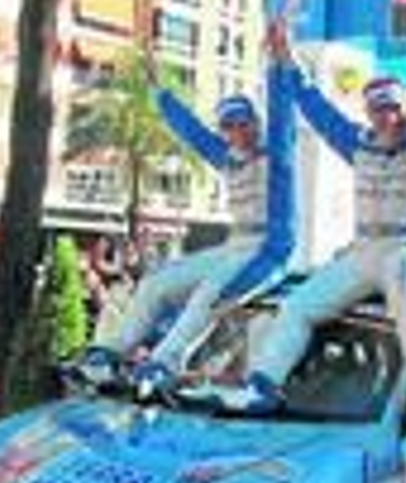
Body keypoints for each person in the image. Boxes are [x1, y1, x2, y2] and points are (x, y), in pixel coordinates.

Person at [226, 0, 406, 414]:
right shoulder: (357, 142)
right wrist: (285, 56)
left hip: (404, 250)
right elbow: (314, 107)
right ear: (369, 113)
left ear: (404, 110)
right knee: (297, 306)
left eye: (392, 108)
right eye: (378, 109)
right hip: (361, 252)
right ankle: (263, 384)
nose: (386, 117)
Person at [78, 47, 297, 391]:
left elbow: (282, 113)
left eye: (244, 123)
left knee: (210, 292)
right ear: (223, 131)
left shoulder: (278, 155)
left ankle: (164, 363)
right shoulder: (227, 157)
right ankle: (110, 353)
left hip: (268, 252)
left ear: (257, 123)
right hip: (235, 246)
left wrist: (278, 62)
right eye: (229, 125)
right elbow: (190, 130)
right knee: (155, 284)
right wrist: (158, 91)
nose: (238, 131)